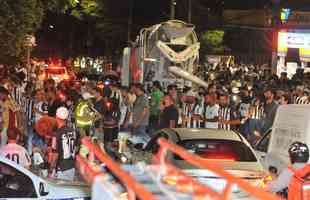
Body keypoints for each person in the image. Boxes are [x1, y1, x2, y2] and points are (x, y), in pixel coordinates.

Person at [53, 107, 78, 181]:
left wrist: (51, 167)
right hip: (71, 165)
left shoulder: (57, 133)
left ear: (56, 117)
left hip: (62, 167)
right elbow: (76, 147)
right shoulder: (73, 131)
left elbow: (55, 153)